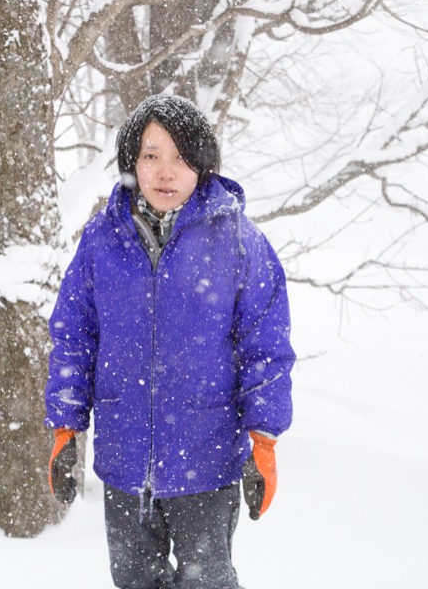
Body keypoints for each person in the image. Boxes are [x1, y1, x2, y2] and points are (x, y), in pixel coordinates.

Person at [45, 94, 295, 589]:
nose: (165, 171)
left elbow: (265, 347)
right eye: (151, 155)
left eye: (180, 157)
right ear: (131, 163)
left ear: (201, 165)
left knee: (208, 582)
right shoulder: (102, 239)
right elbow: (74, 335)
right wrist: (65, 427)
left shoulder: (239, 242)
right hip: (124, 461)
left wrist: (263, 440)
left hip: (206, 460)